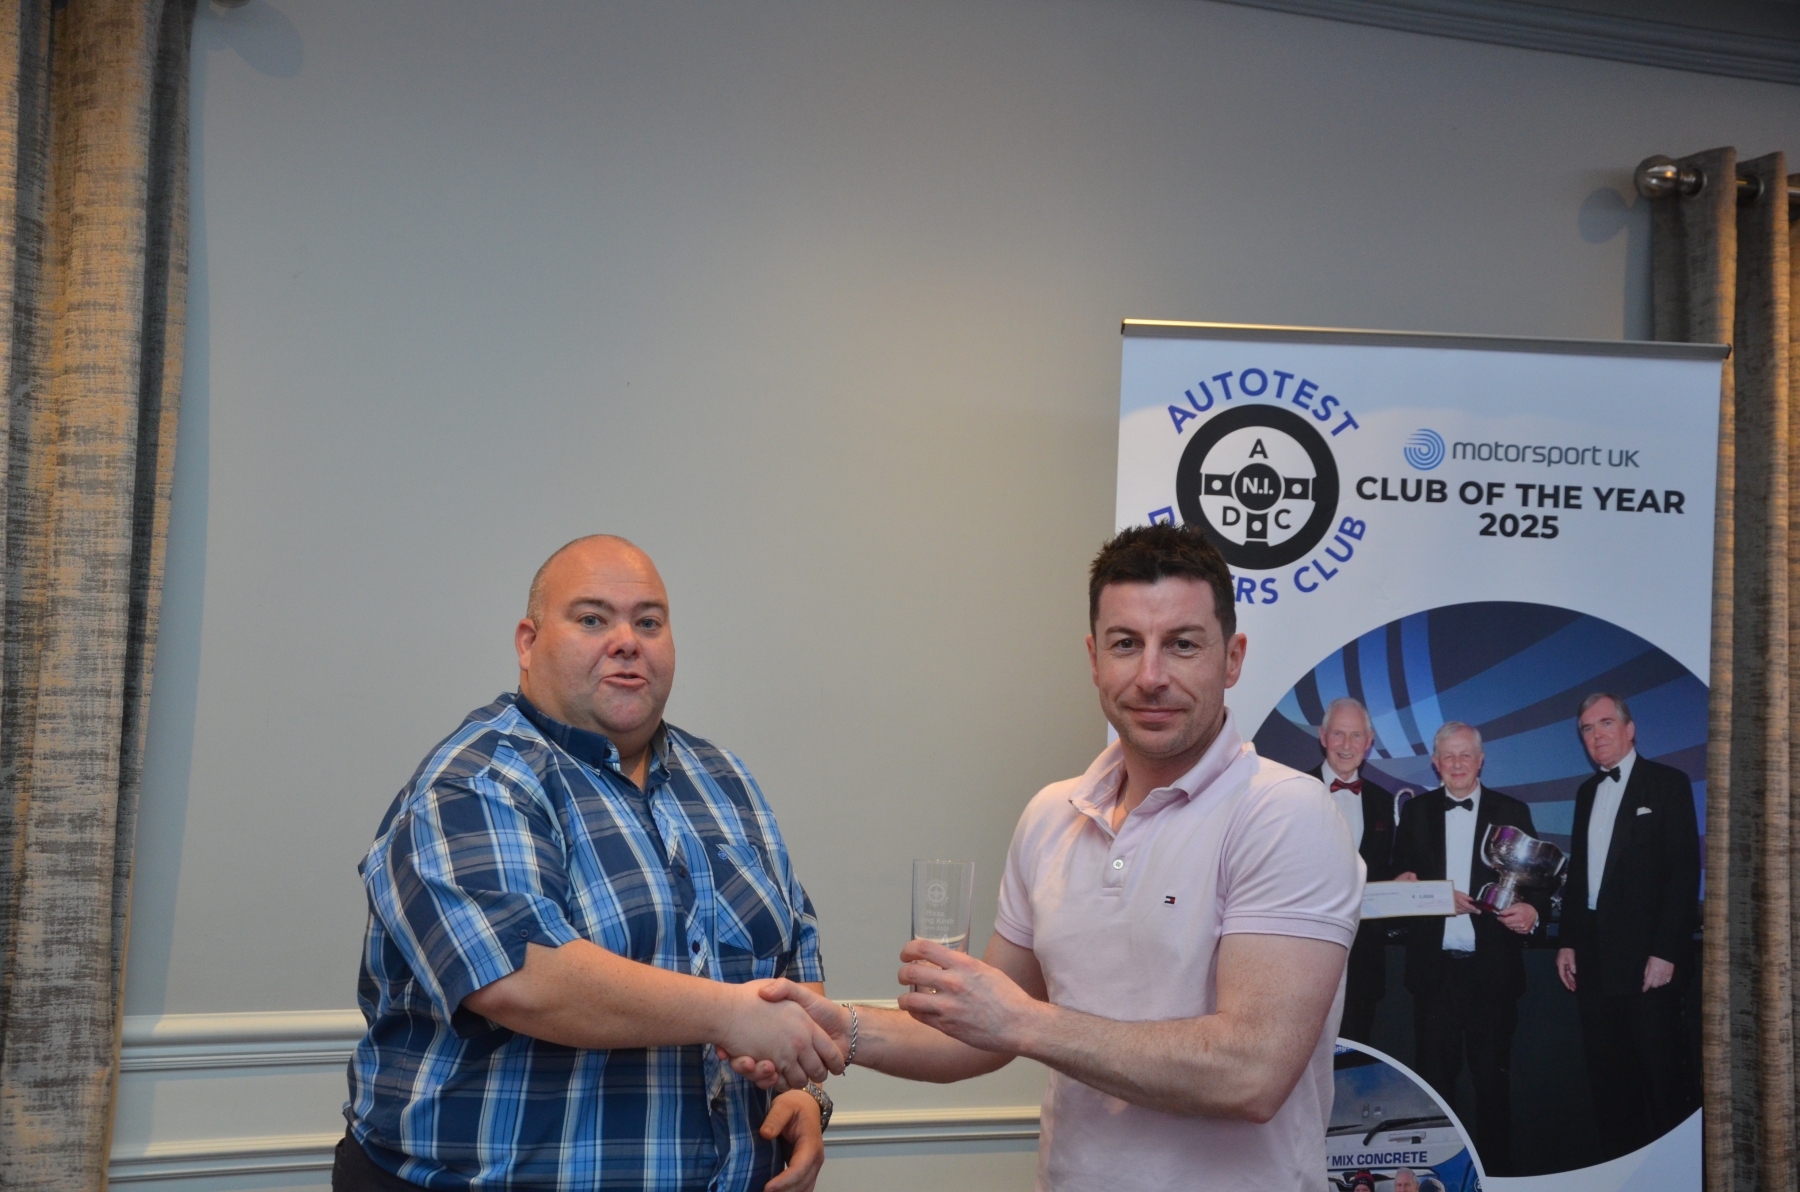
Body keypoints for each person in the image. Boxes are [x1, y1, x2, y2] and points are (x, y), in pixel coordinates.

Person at [736, 523, 1364, 1190]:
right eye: (1126, 644)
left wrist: (1025, 1022)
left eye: (1183, 645)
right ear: (1094, 658)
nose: (1151, 676)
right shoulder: (1052, 814)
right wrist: (843, 1030)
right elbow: (976, 1033)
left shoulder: (1285, 813)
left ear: (1232, 659)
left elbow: (1251, 1074)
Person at [338, 536, 843, 1192]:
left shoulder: (725, 780)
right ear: (528, 643)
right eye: (592, 619)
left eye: (649, 622)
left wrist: (802, 1091)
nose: (627, 641)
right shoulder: (475, 781)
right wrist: (729, 1013)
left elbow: (795, 958)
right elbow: (525, 978)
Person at [1392, 722, 1546, 1177]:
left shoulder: (1512, 810)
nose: (1457, 764)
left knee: (1492, 1084)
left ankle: (1496, 1175)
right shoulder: (1416, 812)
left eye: (1465, 755)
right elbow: (1400, 879)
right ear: (1435, 763)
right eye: (1448, 756)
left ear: (1480, 761)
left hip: (1492, 974)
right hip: (1434, 974)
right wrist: (1411, 888)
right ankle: (1440, 1178)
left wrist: (1533, 910)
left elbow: (1541, 882)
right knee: (1435, 1086)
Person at [1556, 693, 1700, 1159]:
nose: (1596, 735)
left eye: (1605, 723)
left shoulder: (1668, 784)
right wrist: (1567, 942)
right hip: (1594, 961)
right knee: (1609, 1086)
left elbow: (1684, 874)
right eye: (1587, 728)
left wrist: (1666, 951)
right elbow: (1580, 876)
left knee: (1662, 1081)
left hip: (1647, 963)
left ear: (1630, 728)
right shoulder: (1586, 793)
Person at [1313, 697, 1398, 1043]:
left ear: (1369, 741)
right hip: (1306, 953)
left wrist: (1400, 885)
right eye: (1338, 734)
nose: (1347, 745)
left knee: (1356, 1051)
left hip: (1364, 956)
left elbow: (1382, 870)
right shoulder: (1293, 791)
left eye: (1356, 735)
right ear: (1323, 736)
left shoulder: (1382, 800)